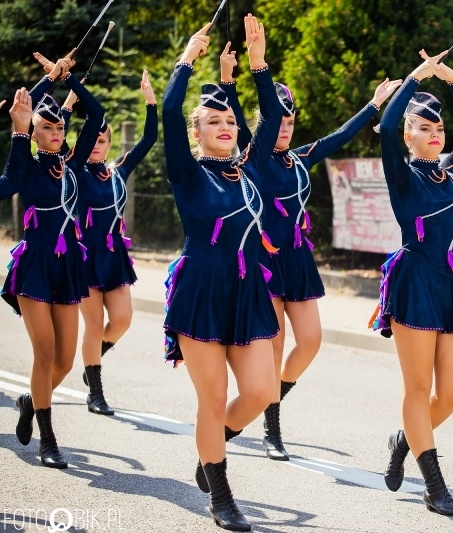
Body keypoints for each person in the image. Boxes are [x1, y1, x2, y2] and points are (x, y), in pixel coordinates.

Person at [221, 47, 401, 460]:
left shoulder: (301, 159)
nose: (284, 126)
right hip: (263, 262)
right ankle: (271, 424)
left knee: (311, 341)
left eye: (290, 120)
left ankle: (272, 399)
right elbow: (248, 116)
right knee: (276, 345)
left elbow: (338, 137)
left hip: (298, 260)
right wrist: (229, 80)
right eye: (278, 119)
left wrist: (373, 104)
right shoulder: (254, 156)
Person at [161, 15, 282, 531]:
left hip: (247, 288)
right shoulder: (188, 172)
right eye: (213, 122)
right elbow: (168, 110)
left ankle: (209, 452)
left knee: (260, 392)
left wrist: (258, 67)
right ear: (197, 133)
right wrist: (187, 60)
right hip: (201, 289)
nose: (225, 126)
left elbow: (272, 120)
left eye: (229, 120)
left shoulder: (250, 169)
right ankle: (221, 493)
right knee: (210, 398)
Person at [371, 50, 453, 517]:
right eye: (425, 128)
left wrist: (449, 76)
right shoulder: (402, 175)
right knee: (417, 390)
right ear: (409, 134)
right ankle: (435, 487)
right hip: (416, 281)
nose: (436, 134)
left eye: (439, 129)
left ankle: (405, 438)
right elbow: (383, 126)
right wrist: (415, 79)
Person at [1, 52, 105, 469]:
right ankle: (48, 439)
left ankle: (31, 399)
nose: (58, 133)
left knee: (64, 360)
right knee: (45, 353)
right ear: (33, 132)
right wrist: (21, 124)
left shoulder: (74, 163)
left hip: (68, 267)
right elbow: (8, 179)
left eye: (61, 127)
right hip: (34, 266)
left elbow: (95, 112)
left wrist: (68, 78)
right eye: (48, 128)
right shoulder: (25, 165)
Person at [56, 69, 157, 416]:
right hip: (84, 257)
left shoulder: (119, 170)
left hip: (114, 257)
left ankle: (92, 360)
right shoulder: (75, 166)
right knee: (94, 324)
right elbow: (59, 136)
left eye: (103, 139)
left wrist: (150, 102)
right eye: (92, 138)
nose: (97, 142)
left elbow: (148, 139)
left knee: (123, 319)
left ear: (110, 142)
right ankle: (95, 392)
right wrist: (69, 101)